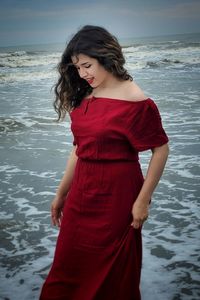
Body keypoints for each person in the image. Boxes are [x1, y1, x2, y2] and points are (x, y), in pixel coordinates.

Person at [39, 25, 169, 300]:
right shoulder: (86, 94)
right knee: (66, 271)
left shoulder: (136, 99)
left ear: (106, 57)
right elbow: (79, 148)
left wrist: (143, 200)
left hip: (117, 197)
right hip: (81, 196)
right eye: (77, 68)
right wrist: (62, 193)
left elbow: (160, 149)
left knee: (113, 277)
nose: (83, 74)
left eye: (87, 65)